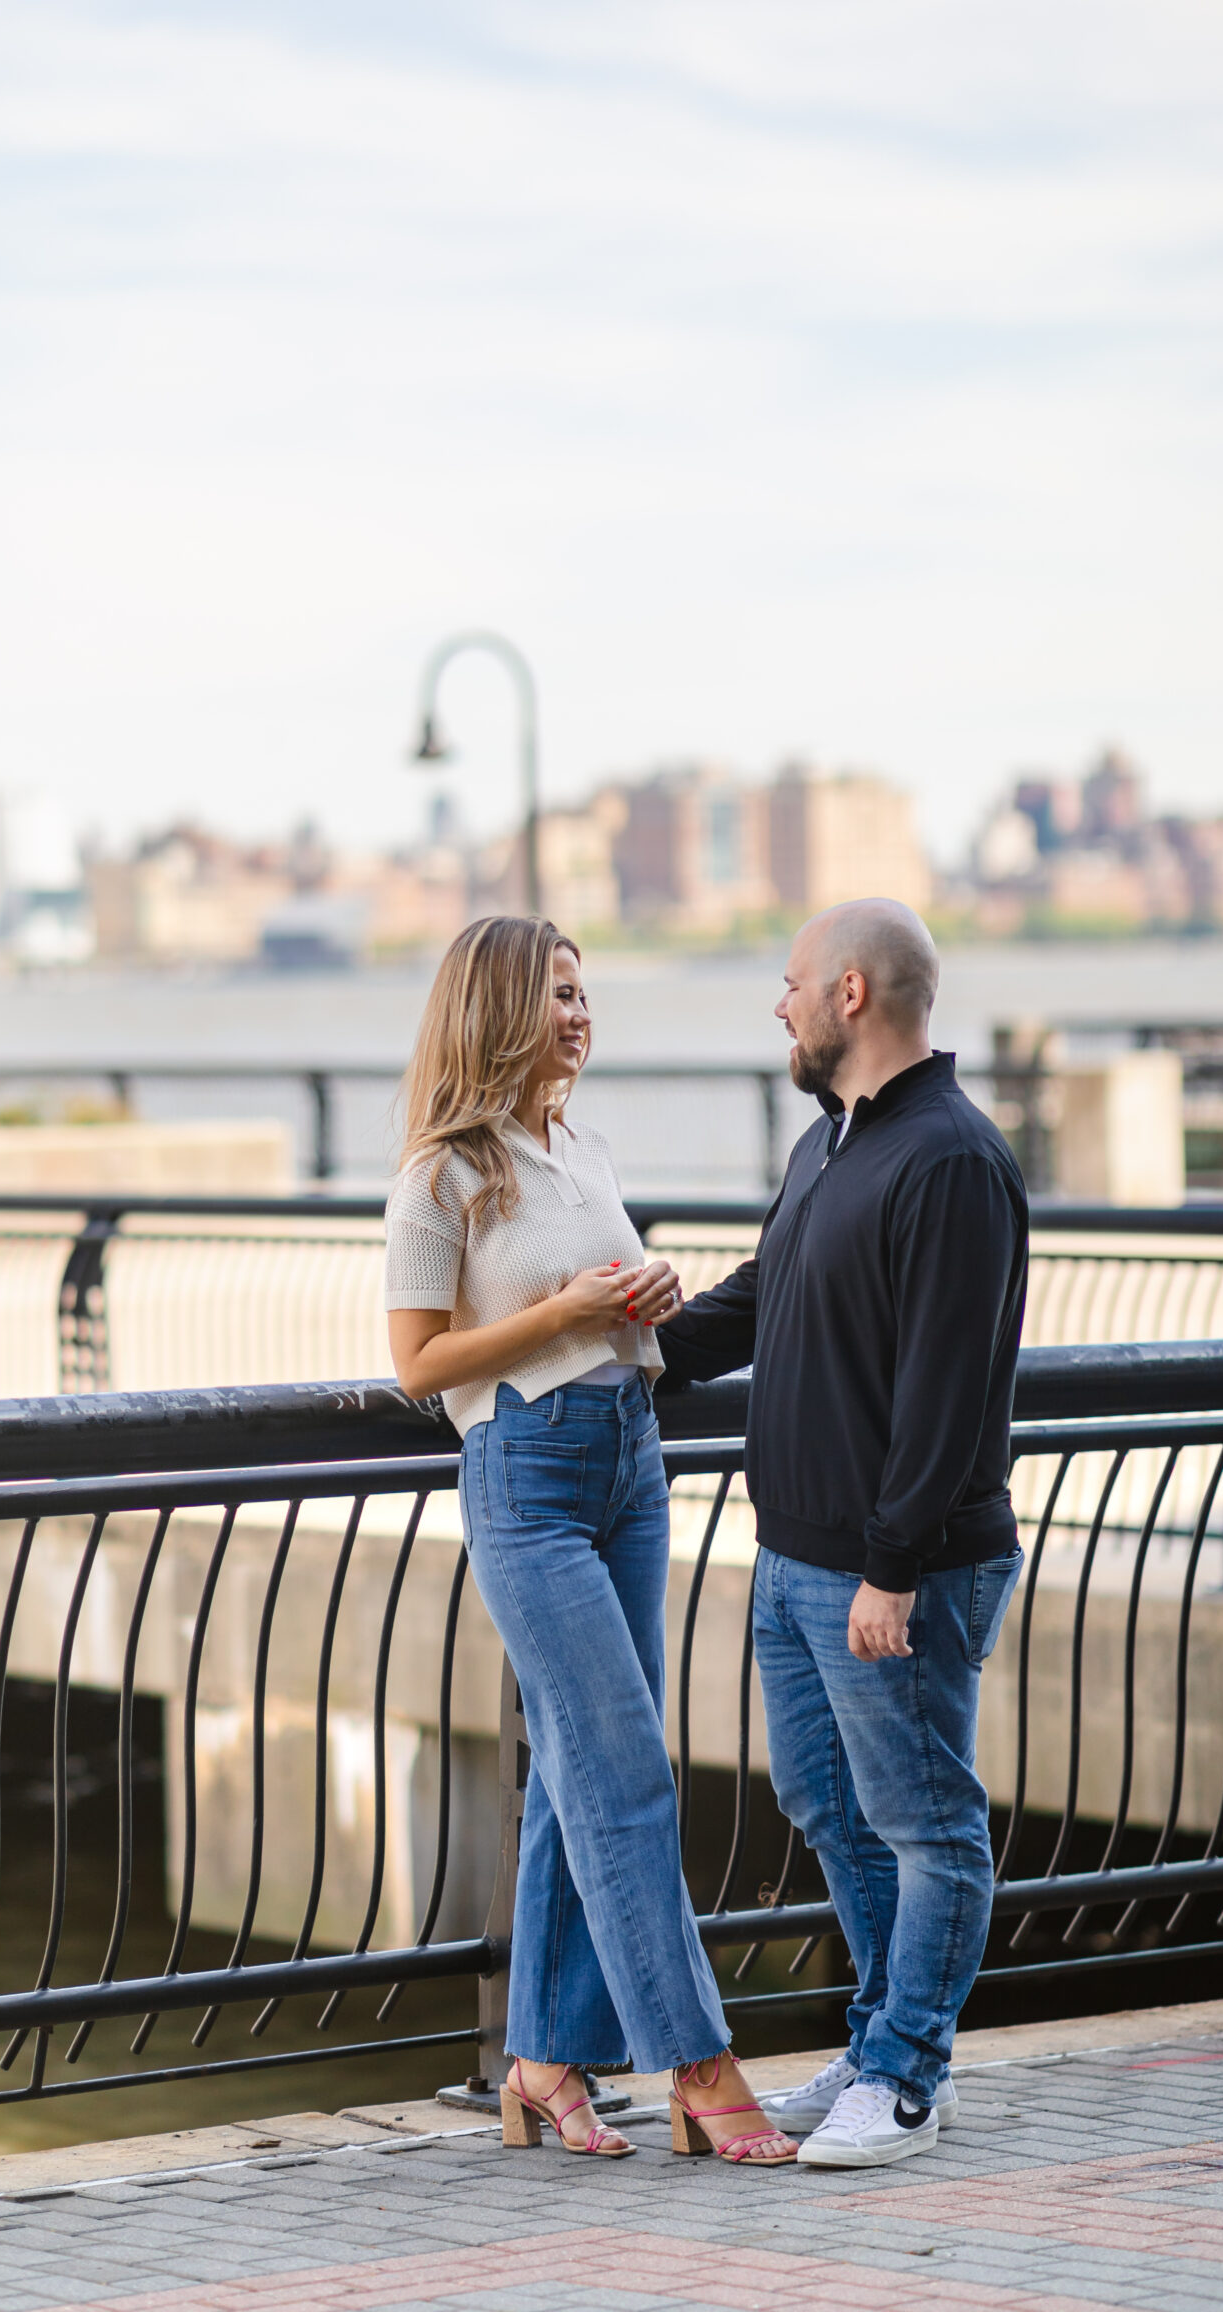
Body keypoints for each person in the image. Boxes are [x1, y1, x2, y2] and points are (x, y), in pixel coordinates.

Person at [385, 915, 796, 2166]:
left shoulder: (583, 1150)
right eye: (556, 993)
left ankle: (543, 2058)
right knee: (622, 1768)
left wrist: (638, 1305)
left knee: (582, 1768)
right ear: (495, 1009)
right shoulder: (443, 1174)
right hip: (526, 1470)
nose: (579, 1011)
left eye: (582, 991)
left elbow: (593, 1313)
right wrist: (565, 1308)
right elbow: (415, 1365)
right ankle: (698, 2061)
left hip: (631, 1455)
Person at [656, 898, 1028, 2171]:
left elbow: (944, 1388)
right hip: (793, 1556)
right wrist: (629, 1357)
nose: (780, 1002)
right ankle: (878, 2044)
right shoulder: (830, 1146)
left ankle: (911, 2077)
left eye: (793, 981)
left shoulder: (953, 1161)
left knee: (930, 1823)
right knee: (832, 1807)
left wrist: (893, 1565)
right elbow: (761, 1300)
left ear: (853, 993)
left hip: (893, 1569)